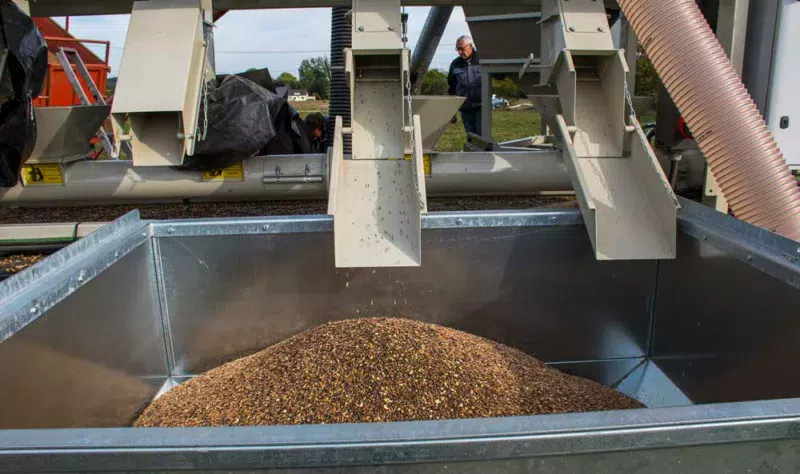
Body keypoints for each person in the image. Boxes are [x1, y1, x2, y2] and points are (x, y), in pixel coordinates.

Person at [447, 35, 482, 136]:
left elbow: (499, 75)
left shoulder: (483, 60)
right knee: (471, 138)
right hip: (465, 108)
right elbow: (452, 88)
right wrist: (452, 112)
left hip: (482, 107)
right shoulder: (455, 64)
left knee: (483, 138)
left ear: (470, 46)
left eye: (461, 49)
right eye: (457, 49)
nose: (459, 52)